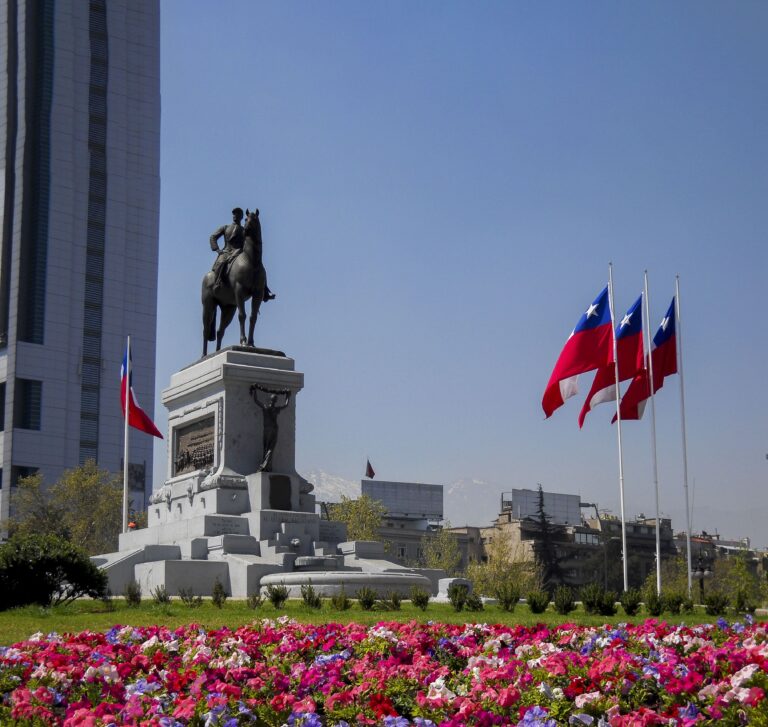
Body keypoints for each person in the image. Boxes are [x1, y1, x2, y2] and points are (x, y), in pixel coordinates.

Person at [210, 207, 275, 300]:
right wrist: (217, 249)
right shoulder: (225, 227)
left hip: (240, 252)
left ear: (241, 217)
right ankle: (217, 282)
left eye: (237, 214)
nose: (235, 216)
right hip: (226, 252)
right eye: (234, 214)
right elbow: (213, 237)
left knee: (259, 267)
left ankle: (264, 290)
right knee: (221, 262)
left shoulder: (244, 229)